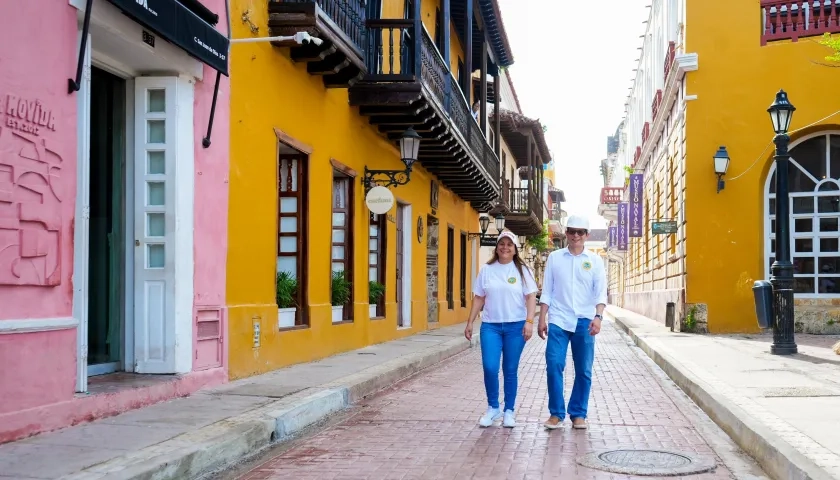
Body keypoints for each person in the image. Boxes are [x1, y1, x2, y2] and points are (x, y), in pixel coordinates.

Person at [537, 215, 607, 430]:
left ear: (587, 235)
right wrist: (541, 318)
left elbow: (600, 292)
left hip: (585, 320)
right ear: (566, 233)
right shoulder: (555, 258)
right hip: (558, 319)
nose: (575, 235)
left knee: (584, 370)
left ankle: (578, 413)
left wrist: (598, 317)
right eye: (572, 231)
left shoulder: (595, 261)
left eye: (580, 232)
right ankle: (556, 413)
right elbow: (547, 290)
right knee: (554, 365)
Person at [465, 230, 538, 428]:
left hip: (516, 326)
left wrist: (529, 322)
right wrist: (471, 321)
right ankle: (493, 407)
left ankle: (509, 411)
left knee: (510, 369)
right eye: (501, 244)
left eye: (509, 245)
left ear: (515, 249)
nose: (505, 247)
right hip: (491, 326)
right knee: (490, 367)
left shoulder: (522, 270)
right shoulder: (487, 270)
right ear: (496, 248)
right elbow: (479, 297)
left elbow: (531, 296)